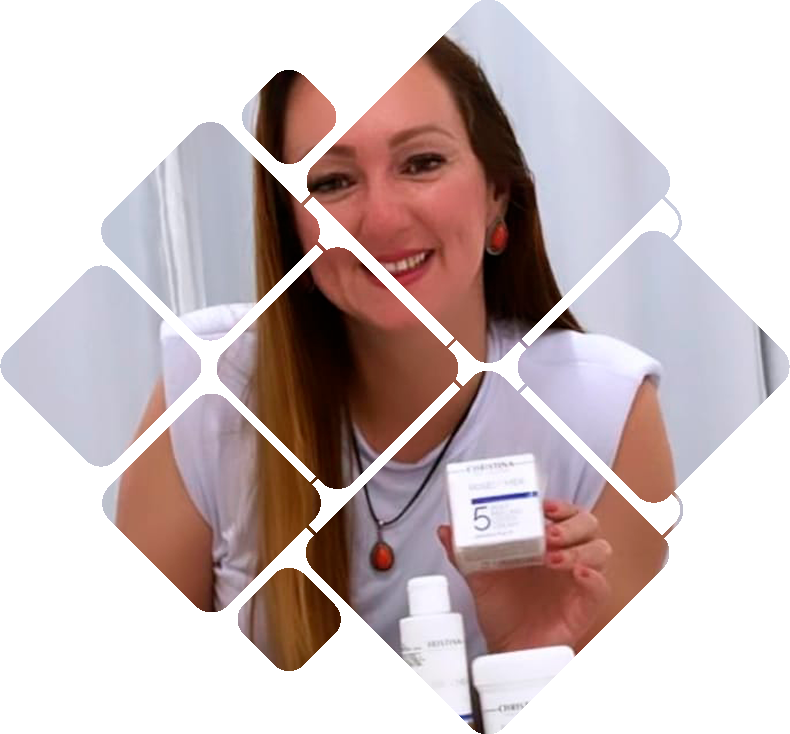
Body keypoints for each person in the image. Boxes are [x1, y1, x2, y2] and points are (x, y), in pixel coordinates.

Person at [106, 5, 681, 734]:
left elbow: (610, 695)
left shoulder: (604, 409)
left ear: (498, 191)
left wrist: (524, 660)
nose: (382, 218)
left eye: (422, 163)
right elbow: (147, 675)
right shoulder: (207, 388)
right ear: (292, 231)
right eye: (331, 182)